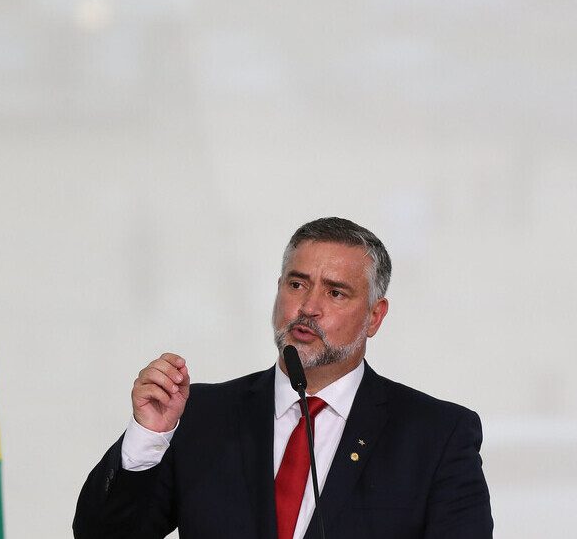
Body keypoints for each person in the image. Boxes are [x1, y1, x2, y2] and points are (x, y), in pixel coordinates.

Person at [73, 217, 492, 539]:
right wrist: (149, 437)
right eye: (297, 284)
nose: (308, 307)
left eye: (335, 292)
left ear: (374, 316)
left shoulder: (436, 435)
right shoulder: (201, 416)